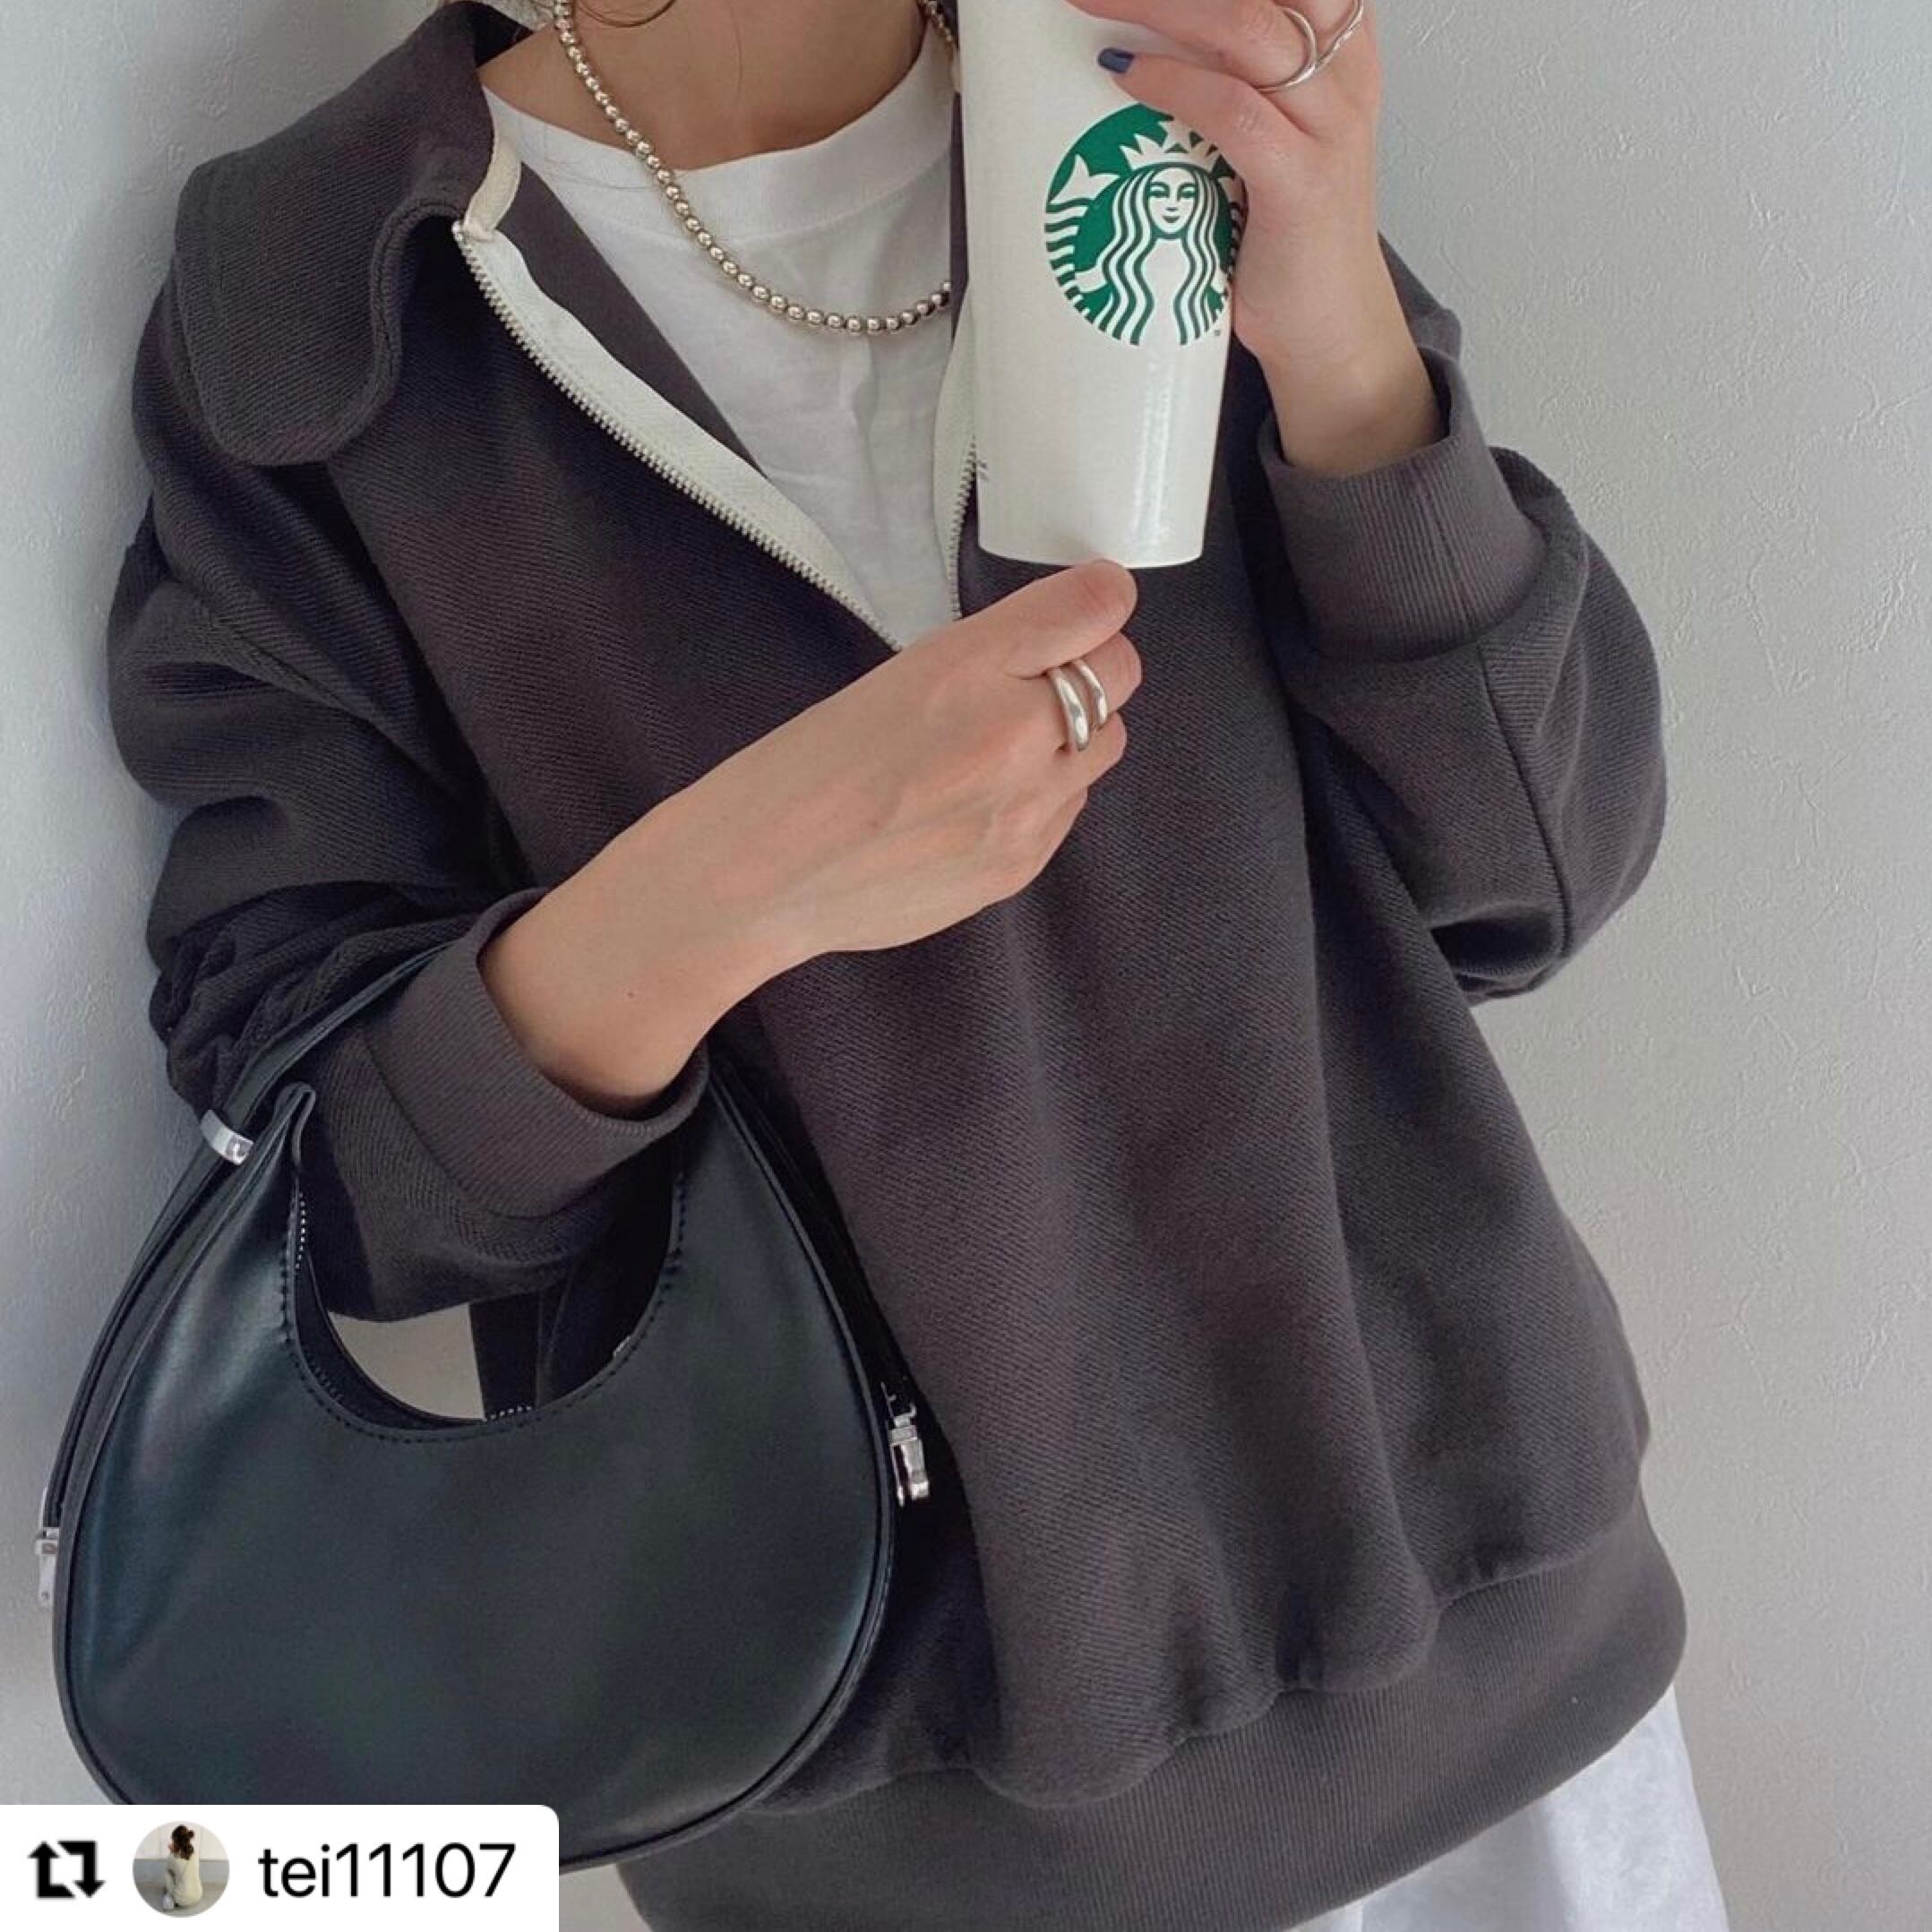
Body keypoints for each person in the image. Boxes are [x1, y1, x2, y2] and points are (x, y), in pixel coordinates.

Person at [102, 0, 1730, 1926]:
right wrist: (722, 891)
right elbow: (343, 1196)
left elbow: (1534, 879)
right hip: (882, 1818)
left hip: (1496, 1710)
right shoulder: (322, 305)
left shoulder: (1149, 112)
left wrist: (1349, 359)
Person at [157, 1824, 202, 1911]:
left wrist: (171, 1852)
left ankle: (172, 1896)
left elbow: (170, 1864)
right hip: (198, 1895)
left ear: (175, 1842)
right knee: (187, 1872)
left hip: (182, 1900)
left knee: (167, 1871)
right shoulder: (194, 1853)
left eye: (173, 1841)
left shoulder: (172, 1858)